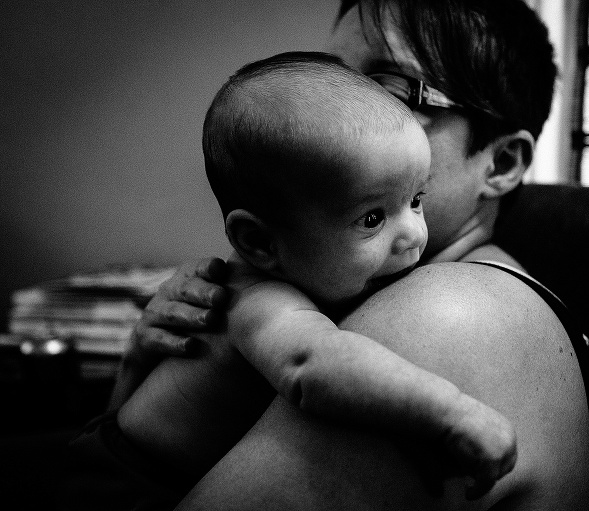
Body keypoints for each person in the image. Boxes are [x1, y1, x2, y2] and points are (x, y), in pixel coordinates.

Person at [113, 1, 589, 509]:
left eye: (389, 87)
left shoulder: (455, 315)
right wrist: (141, 364)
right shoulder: (348, 284)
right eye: (334, 82)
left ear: (501, 162)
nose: (345, 110)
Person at [63, 52, 518, 508]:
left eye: (416, 200)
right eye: (373, 218)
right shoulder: (260, 299)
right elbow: (312, 365)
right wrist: (451, 412)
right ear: (258, 242)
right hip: (119, 483)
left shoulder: (337, 277)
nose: (415, 234)